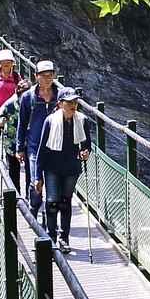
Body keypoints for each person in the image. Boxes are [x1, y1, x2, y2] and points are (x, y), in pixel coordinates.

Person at [34, 87, 91, 250]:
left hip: (72, 167)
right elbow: (42, 149)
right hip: (52, 167)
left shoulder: (82, 120)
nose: (73, 106)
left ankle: (64, 238)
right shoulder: (51, 121)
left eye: (75, 102)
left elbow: (87, 144)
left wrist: (85, 153)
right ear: (60, 104)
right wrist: (37, 175)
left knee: (65, 203)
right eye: (69, 103)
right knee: (52, 202)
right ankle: (51, 236)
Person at [17, 60, 61, 212]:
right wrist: (19, 148)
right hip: (34, 146)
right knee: (35, 181)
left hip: (55, 147)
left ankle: (50, 220)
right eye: (44, 76)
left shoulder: (60, 96)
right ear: (36, 76)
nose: (48, 79)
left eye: (50, 75)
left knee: (53, 184)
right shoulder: (28, 97)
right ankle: (34, 211)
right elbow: (22, 123)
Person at [0, 78, 32, 189]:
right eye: (23, 97)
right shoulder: (10, 103)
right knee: (14, 170)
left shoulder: (35, 104)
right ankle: (16, 196)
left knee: (32, 170)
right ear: (18, 95)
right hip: (11, 141)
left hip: (30, 141)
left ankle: (31, 196)